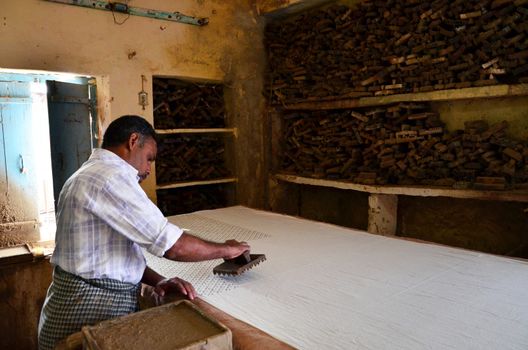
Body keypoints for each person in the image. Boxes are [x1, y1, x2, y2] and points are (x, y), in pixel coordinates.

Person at [38, 115, 249, 350]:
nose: (148, 170)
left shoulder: (89, 174)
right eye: (149, 158)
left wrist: (159, 280)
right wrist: (227, 250)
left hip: (75, 301)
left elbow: (110, 257)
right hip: (88, 308)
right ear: (133, 140)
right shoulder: (110, 178)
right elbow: (173, 246)